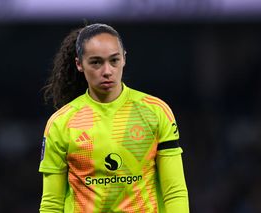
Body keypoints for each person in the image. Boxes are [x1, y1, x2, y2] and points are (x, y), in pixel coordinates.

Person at [39, 23, 189, 213]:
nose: (107, 71)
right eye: (96, 62)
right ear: (79, 64)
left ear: (124, 59)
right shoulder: (61, 123)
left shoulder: (156, 112)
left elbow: (174, 191)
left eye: (114, 60)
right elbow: (51, 203)